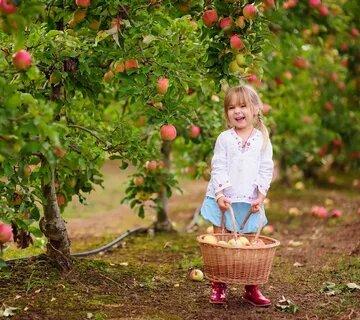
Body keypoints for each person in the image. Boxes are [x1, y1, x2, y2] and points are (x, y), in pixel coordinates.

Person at [200, 84, 274, 307]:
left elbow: (266, 168)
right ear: (227, 113)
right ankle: (219, 285)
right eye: (232, 107)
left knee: (250, 247)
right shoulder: (224, 138)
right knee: (220, 244)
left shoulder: (262, 139)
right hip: (223, 199)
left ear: (255, 109)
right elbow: (218, 165)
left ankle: (251, 287)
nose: (237, 111)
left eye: (243, 106)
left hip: (249, 200)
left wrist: (261, 195)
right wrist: (220, 193)